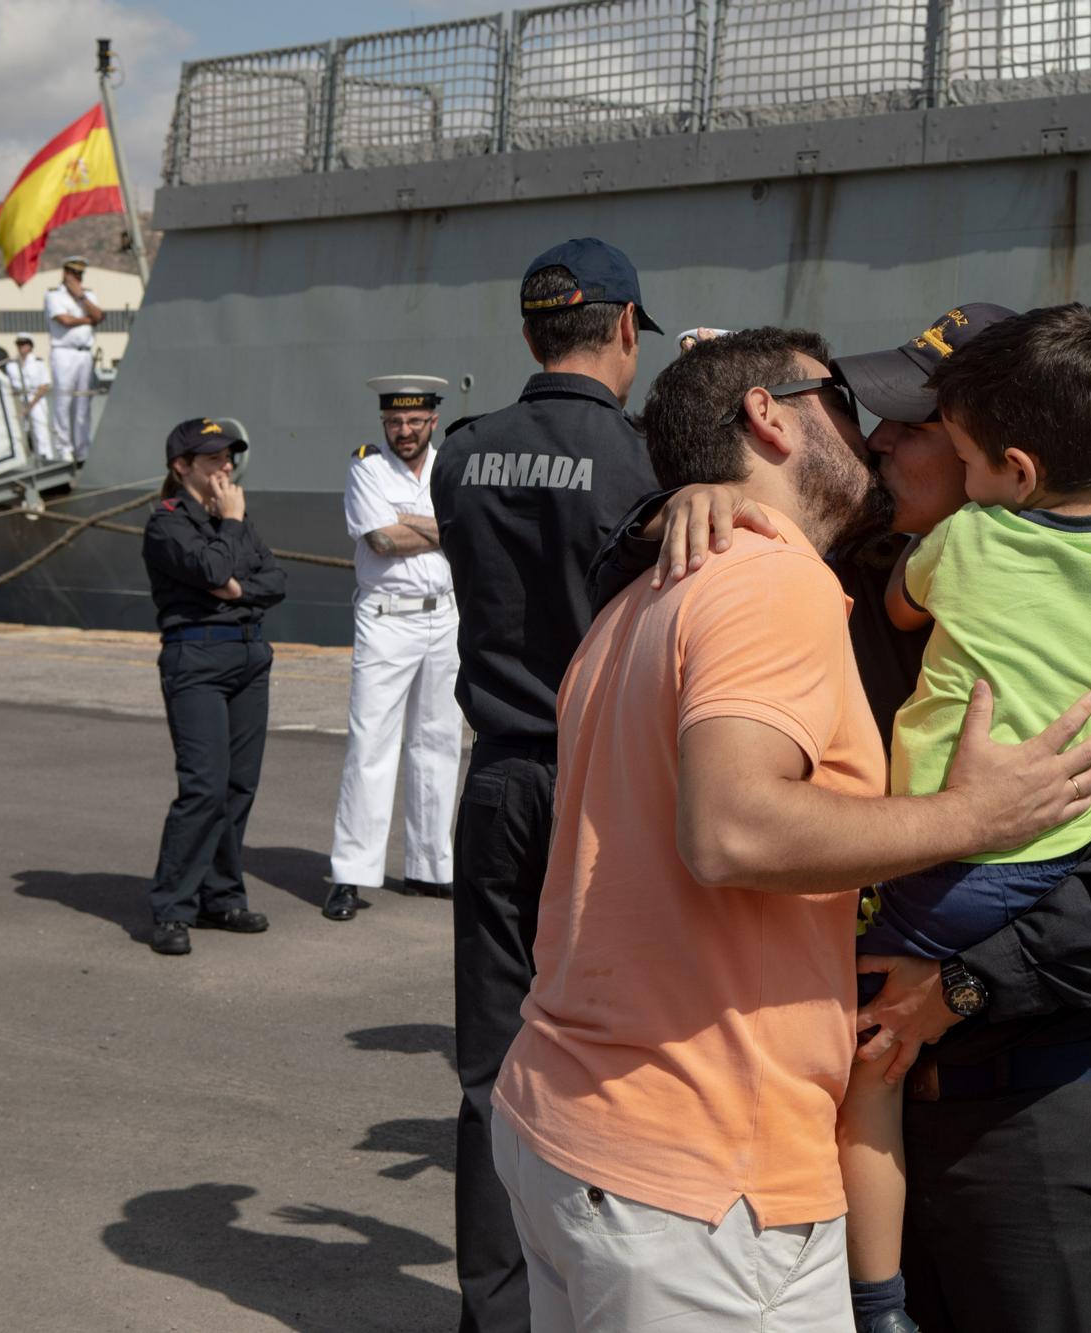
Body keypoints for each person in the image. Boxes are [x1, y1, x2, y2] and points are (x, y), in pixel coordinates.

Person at [599, 302, 1091, 1333]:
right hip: (861, 1144)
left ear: (998, 465)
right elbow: (608, 597)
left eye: (916, 424)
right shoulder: (848, 575)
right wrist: (678, 502)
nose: (878, 440)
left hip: (1047, 1135)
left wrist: (958, 987)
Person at [488, 325, 1091, 1331]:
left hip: (578, 1126)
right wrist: (973, 815)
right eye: (836, 400)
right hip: (702, 1169)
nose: (867, 434)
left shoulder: (644, 596)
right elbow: (730, 830)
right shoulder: (769, 580)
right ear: (766, 418)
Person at [430, 237, 664, 1333]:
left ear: (528, 335)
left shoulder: (462, 453)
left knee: (490, 1068)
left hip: (497, 782)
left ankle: (497, 1315)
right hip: (603, 794)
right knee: (619, 1055)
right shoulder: (639, 461)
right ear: (624, 329)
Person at [141, 418, 288, 958]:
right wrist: (229, 531)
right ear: (181, 467)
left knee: (238, 787)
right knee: (203, 785)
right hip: (196, 659)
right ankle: (171, 908)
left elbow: (275, 581)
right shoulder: (167, 523)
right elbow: (210, 564)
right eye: (213, 460)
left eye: (229, 458)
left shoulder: (235, 519)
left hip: (249, 655)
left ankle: (221, 896)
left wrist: (233, 590)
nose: (226, 468)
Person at [324, 376, 462, 922]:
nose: (403, 431)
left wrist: (407, 520)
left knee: (439, 743)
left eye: (414, 422)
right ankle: (351, 874)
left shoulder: (450, 467)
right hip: (385, 620)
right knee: (371, 747)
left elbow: (465, 527)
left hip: (445, 616)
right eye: (394, 422)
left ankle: (431, 866)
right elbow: (381, 540)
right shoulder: (366, 466)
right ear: (384, 423)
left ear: (432, 420)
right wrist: (441, 527)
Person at [44, 256, 104, 461]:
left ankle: (82, 447)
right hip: (64, 352)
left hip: (84, 353)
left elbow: (100, 316)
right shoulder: (54, 296)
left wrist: (81, 299)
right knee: (64, 400)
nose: (78, 278)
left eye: (80, 274)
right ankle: (64, 448)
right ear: (66, 274)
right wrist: (87, 319)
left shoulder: (88, 296)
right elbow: (64, 320)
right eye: (74, 274)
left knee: (82, 402)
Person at [4, 335, 56, 460]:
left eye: (24, 344)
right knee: (22, 434)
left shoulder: (38, 363)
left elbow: (44, 385)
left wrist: (30, 406)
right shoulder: (11, 365)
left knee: (40, 432)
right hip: (19, 400)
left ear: (30, 346)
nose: (21, 347)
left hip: (36, 400)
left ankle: (45, 458)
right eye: (19, 344)